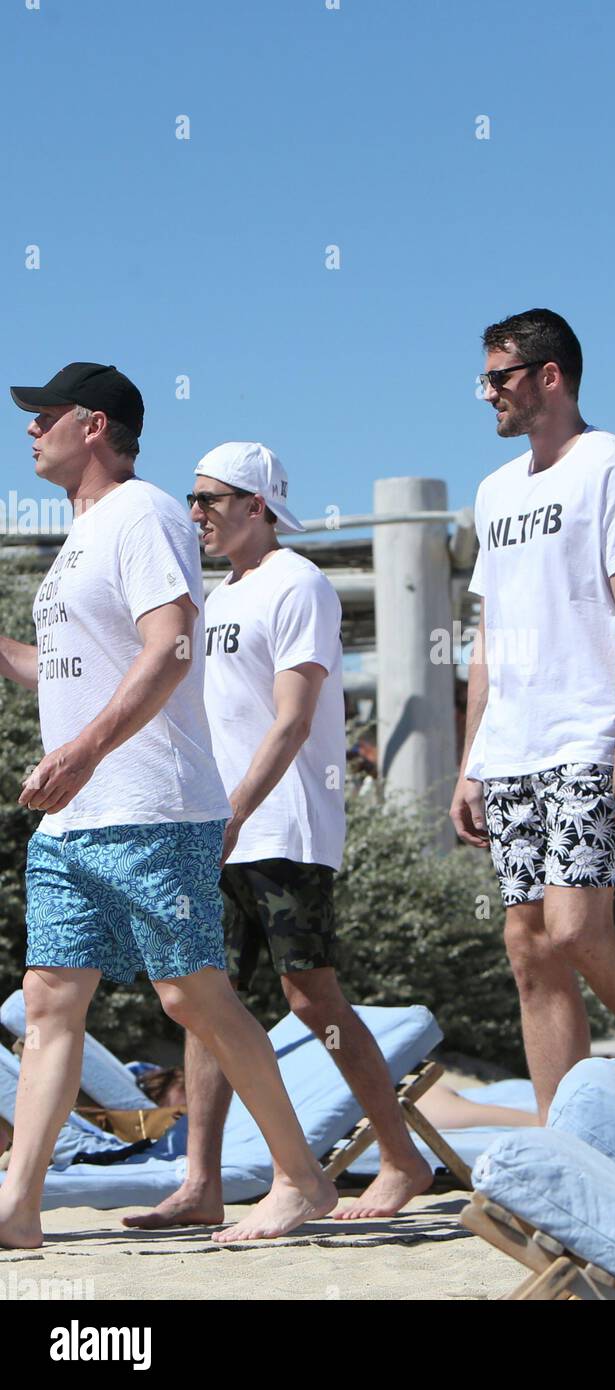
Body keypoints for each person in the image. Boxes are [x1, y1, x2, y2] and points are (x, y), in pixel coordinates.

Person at [0, 366, 337, 1247]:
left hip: (150, 805)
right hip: (73, 818)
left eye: (45, 415)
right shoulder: (76, 539)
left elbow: (171, 649)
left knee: (194, 996)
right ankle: (19, 1209)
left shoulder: (142, 512)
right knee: (49, 998)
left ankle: (302, 1181)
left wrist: (80, 752)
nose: (30, 429)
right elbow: (64, 669)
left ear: (95, 424)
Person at [125, 442, 431, 1230]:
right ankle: (202, 1182)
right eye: (190, 500)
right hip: (216, 829)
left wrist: (234, 810)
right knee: (202, 997)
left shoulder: (300, 584)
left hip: (284, 826)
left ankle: (399, 1158)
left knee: (309, 994)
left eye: (210, 499)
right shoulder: (214, 597)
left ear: (258, 503)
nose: (196, 514)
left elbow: (294, 721)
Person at [449, 308, 615, 1121]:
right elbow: (488, 636)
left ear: (548, 376)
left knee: (575, 930)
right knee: (529, 951)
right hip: (511, 749)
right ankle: (570, 1142)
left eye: (498, 377)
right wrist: (470, 761)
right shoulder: (493, 491)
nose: (485, 392)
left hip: (587, 739)